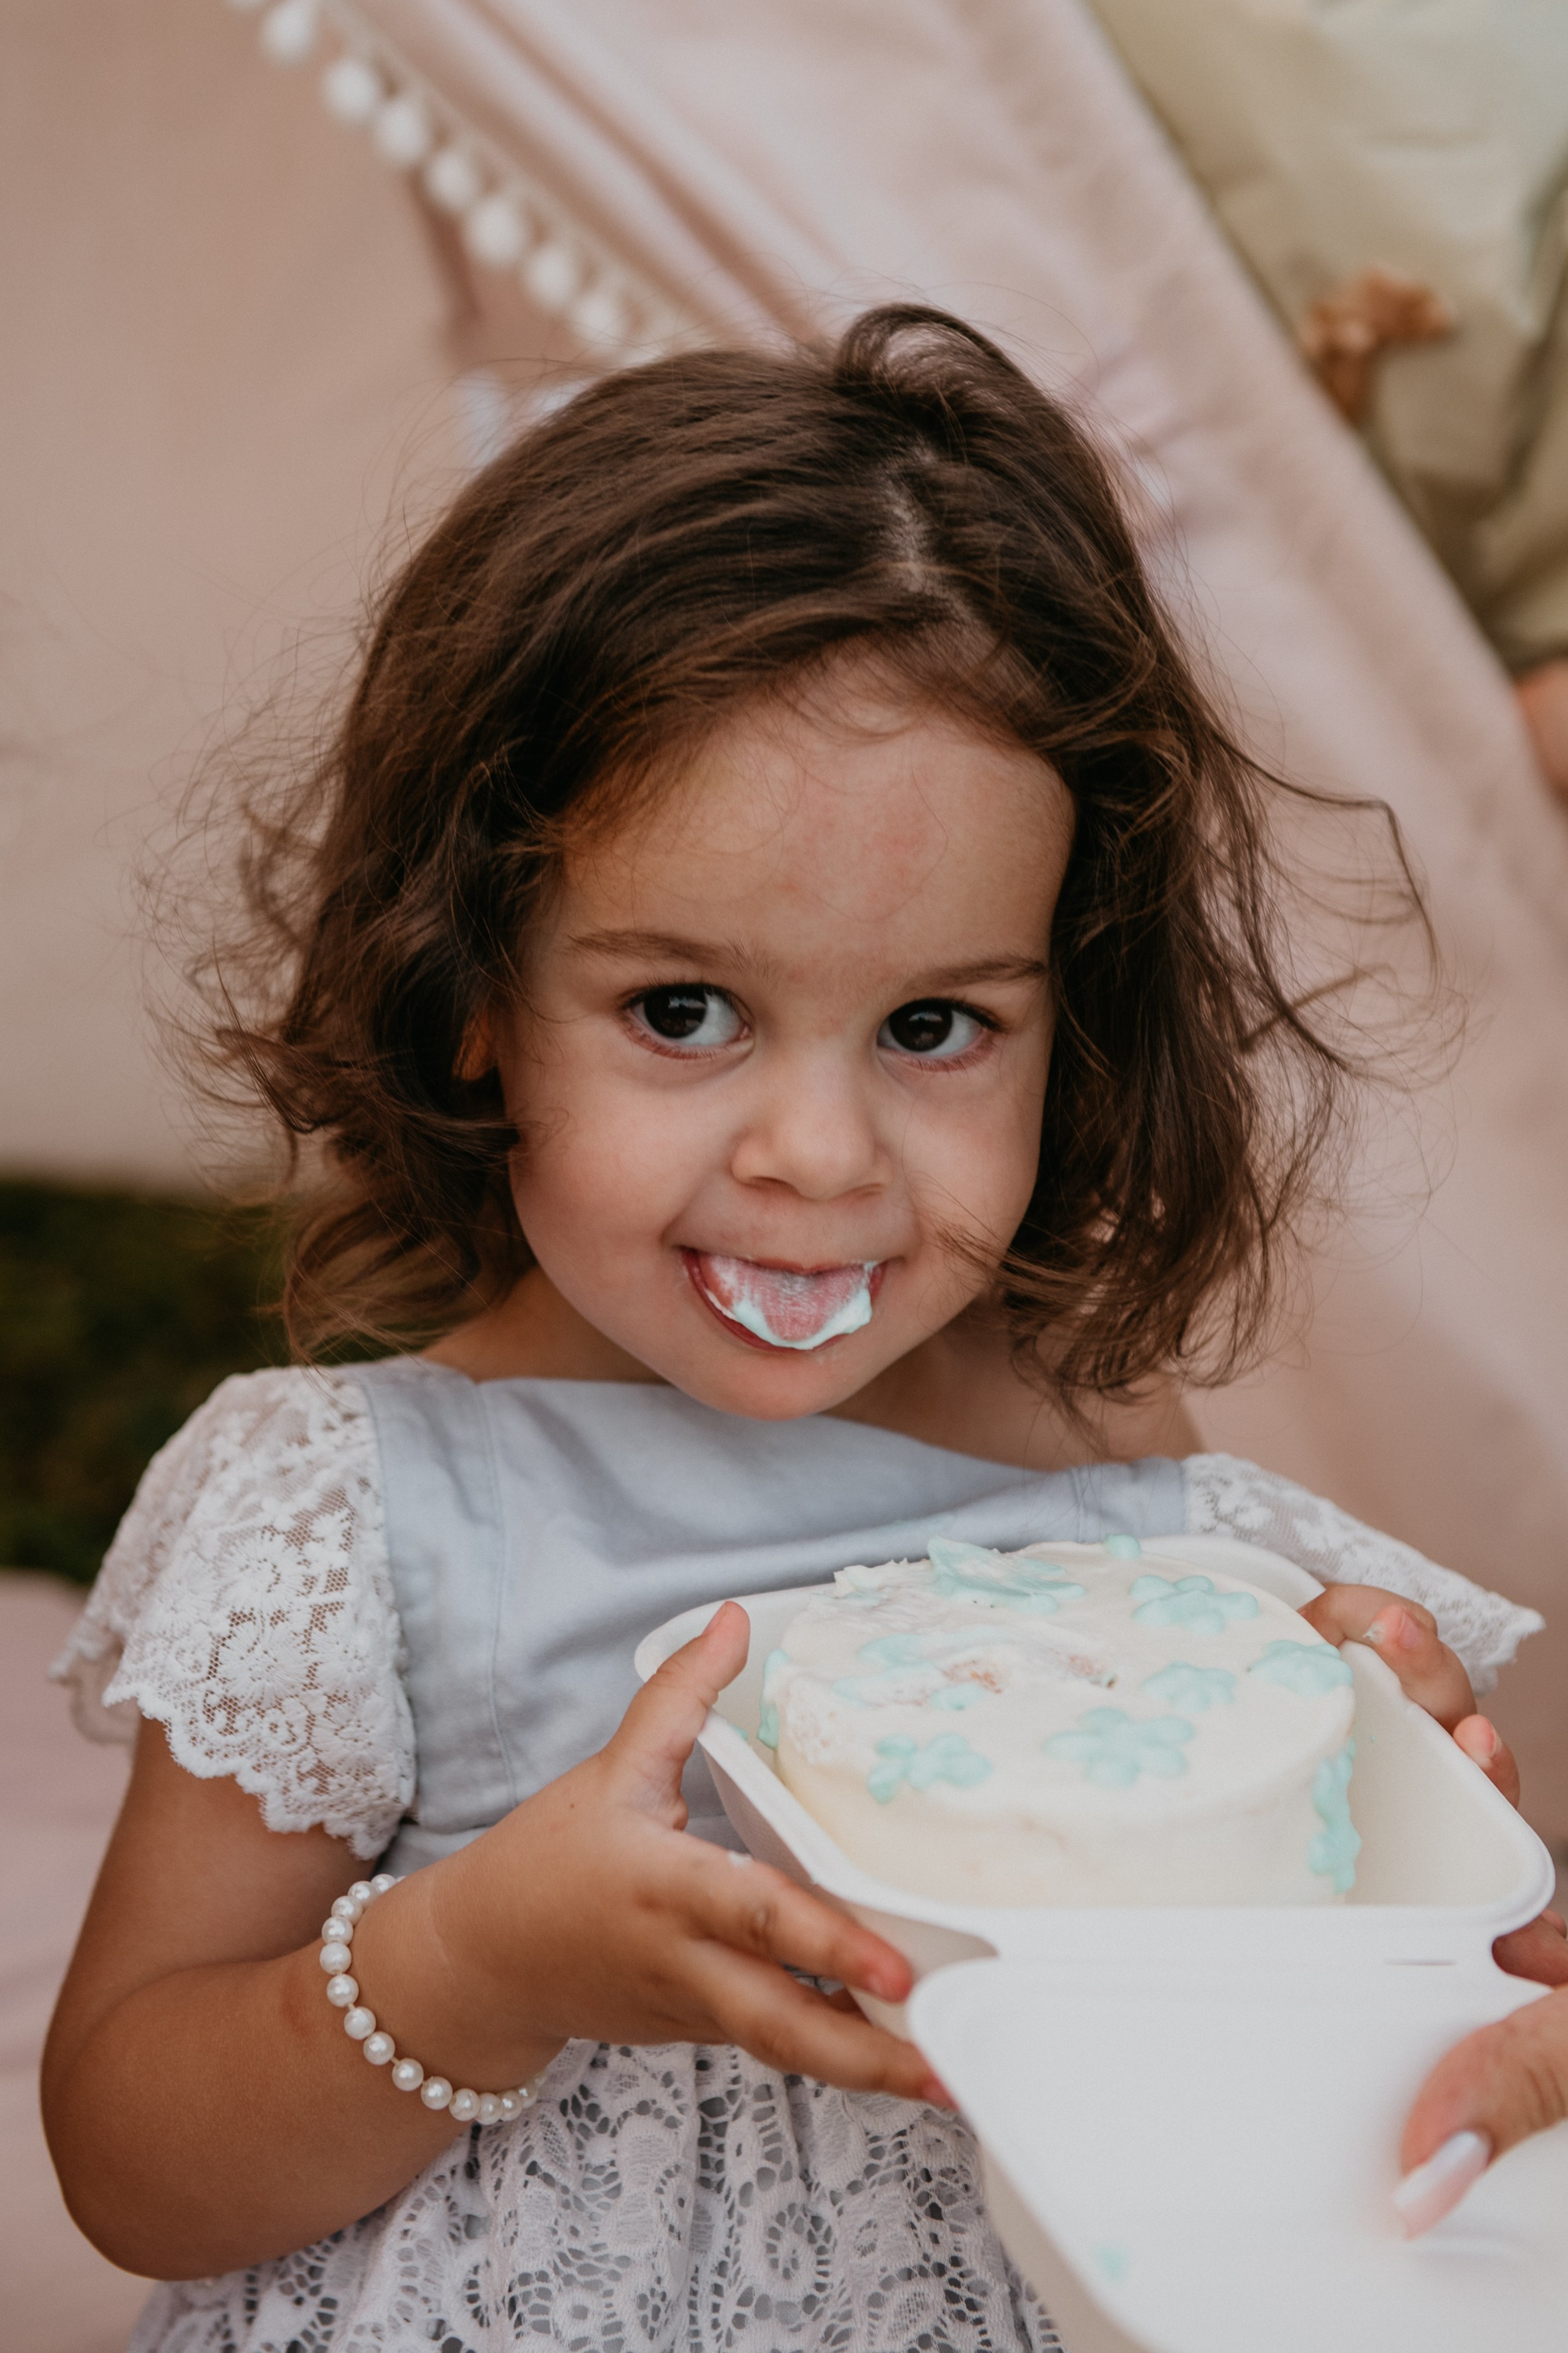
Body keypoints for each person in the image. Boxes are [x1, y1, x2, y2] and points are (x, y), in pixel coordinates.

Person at [40, 307, 1559, 2350]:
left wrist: (1352, 1820)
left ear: (1064, 1013)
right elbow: (132, 2158)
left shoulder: (1117, 1488)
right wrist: (474, 1964)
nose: (819, 1155)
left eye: (934, 1027)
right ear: (473, 984)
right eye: (683, 1010)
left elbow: (1405, 2057)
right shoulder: (361, 1509)